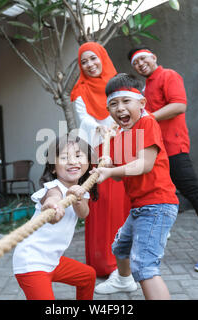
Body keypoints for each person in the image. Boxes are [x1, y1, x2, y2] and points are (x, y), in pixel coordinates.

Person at [128, 46, 198, 273]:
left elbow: (179, 105)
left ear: (154, 57)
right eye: (135, 63)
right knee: (159, 194)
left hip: (173, 147)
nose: (140, 64)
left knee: (196, 194)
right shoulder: (145, 88)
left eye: (143, 58)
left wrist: (146, 118)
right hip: (156, 151)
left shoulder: (168, 75)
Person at [91, 73, 178, 299]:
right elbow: (121, 177)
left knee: (144, 266)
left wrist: (110, 171)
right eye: (113, 104)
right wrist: (107, 164)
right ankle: (123, 281)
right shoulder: (121, 134)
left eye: (125, 101)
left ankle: (131, 278)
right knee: (120, 247)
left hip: (157, 204)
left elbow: (145, 164)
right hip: (140, 206)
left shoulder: (147, 122)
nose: (120, 108)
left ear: (141, 103)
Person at [70, 41, 131, 277]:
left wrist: (120, 124)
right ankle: (102, 262)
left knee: (123, 204)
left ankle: (125, 262)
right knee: (100, 204)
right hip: (98, 154)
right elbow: (84, 120)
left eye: (93, 58)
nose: (90, 64)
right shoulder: (80, 91)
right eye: (84, 61)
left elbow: (132, 110)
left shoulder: (120, 84)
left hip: (124, 152)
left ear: (102, 58)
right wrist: (104, 128)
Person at [12, 134, 97, 300]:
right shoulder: (52, 187)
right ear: (52, 168)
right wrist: (53, 207)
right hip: (32, 262)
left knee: (88, 276)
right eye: (64, 157)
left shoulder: (81, 190)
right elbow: (53, 199)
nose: (72, 161)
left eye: (78, 156)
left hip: (53, 260)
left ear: (88, 162)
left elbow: (84, 213)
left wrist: (78, 198)